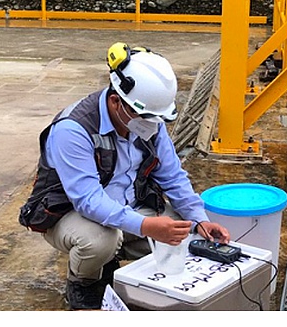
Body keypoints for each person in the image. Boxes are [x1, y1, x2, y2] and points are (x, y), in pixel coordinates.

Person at [19, 42, 230, 310]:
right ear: (116, 100)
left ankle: (114, 264)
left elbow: (173, 176)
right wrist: (146, 227)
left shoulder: (148, 122)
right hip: (70, 214)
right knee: (100, 240)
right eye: (144, 116)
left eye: (157, 119)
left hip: (128, 207)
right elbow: (88, 201)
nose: (152, 125)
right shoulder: (73, 129)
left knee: (185, 231)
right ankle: (83, 284)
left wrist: (199, 219)